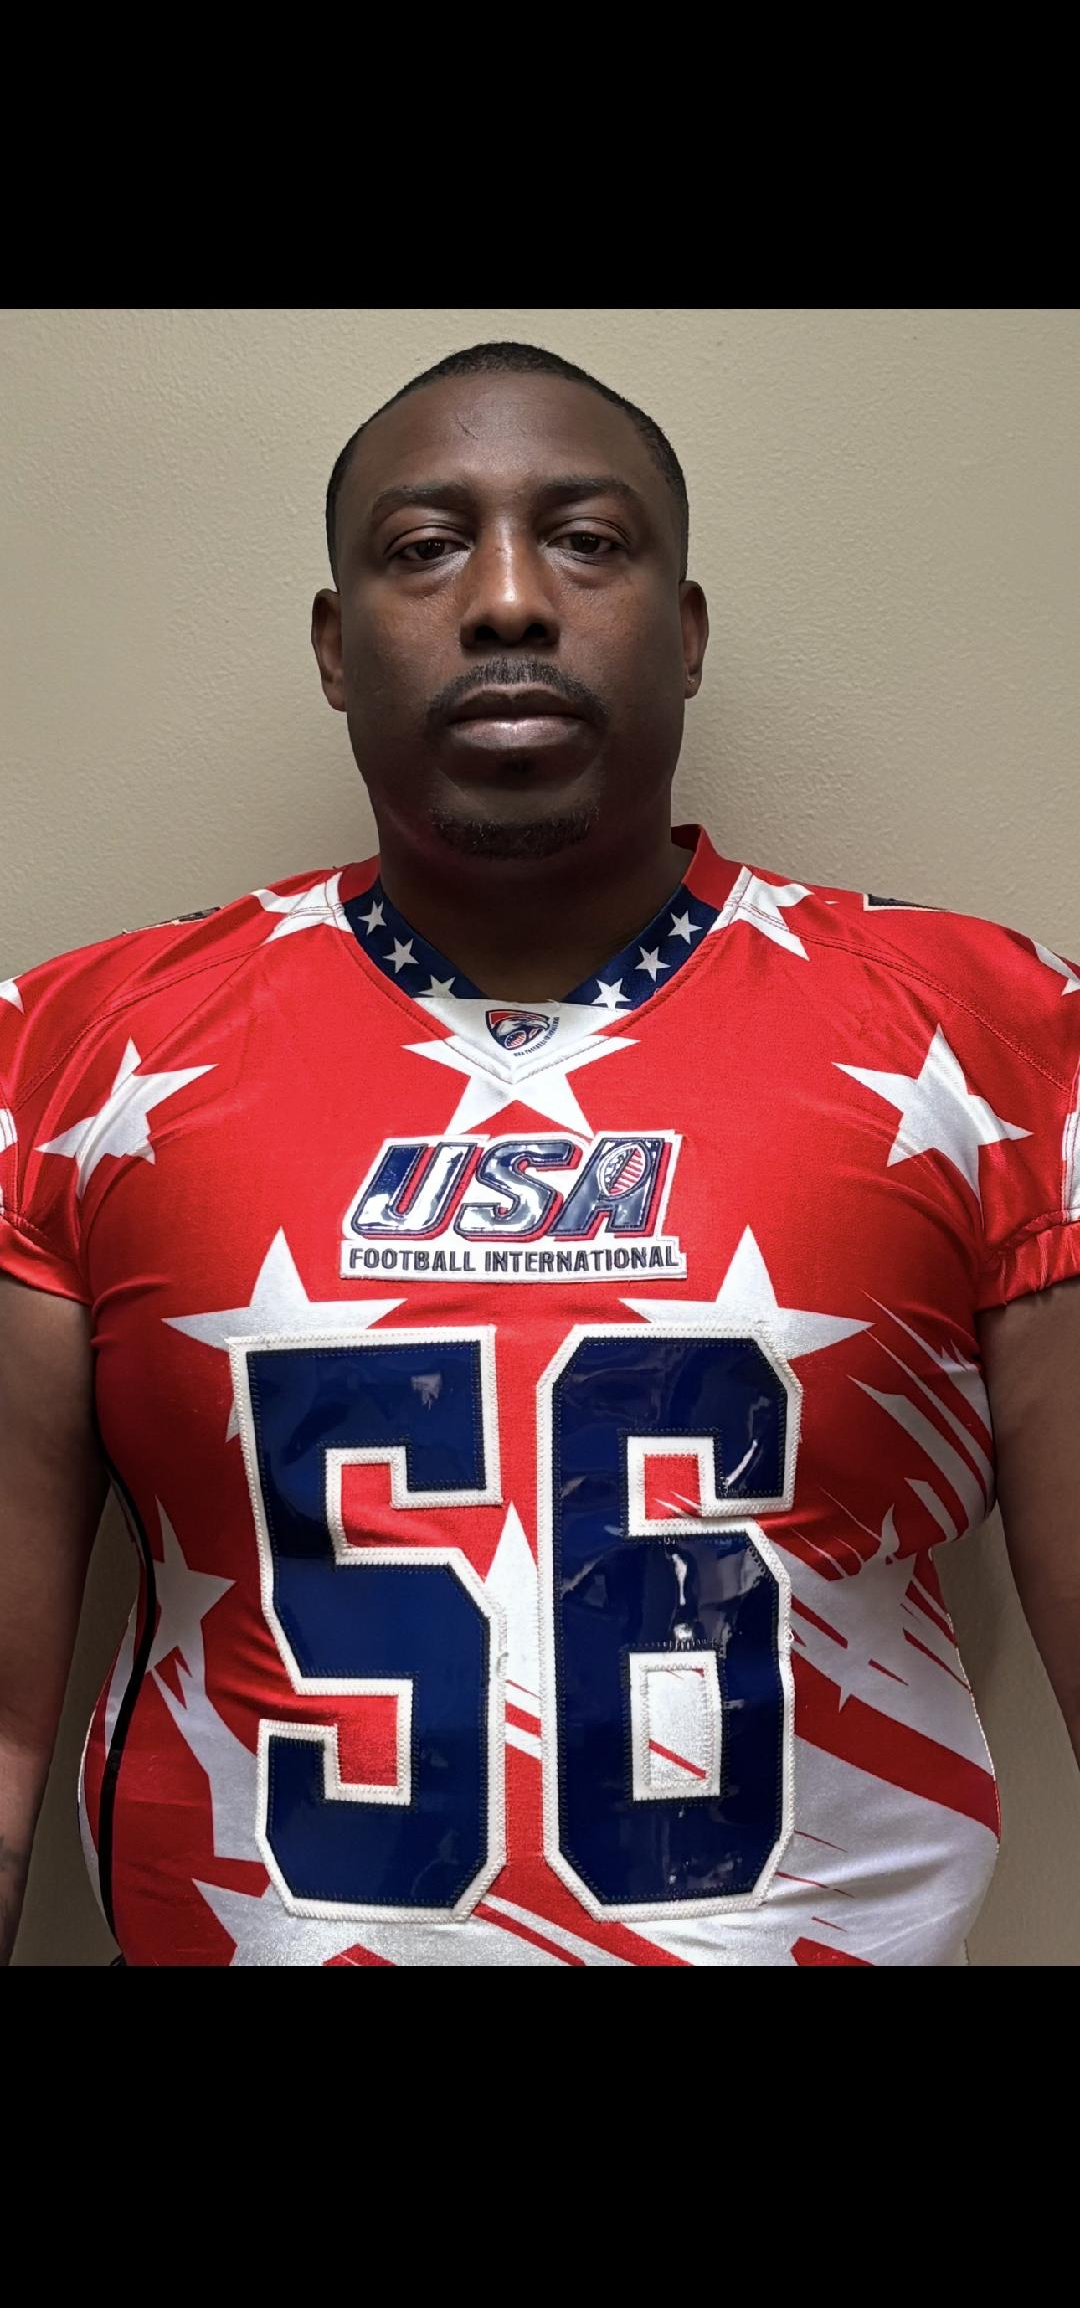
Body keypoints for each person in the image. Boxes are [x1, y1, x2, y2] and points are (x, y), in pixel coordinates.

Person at [2, 341, 1078, 1970]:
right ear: (334, 647)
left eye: (587, 538)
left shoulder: (989, 1041)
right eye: (426, 547)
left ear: (691, 633)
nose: (508, 599)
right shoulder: (76, 1054)